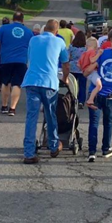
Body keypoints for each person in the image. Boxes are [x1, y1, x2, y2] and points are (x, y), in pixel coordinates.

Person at [22, 19, 70, 164]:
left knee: (31, 116)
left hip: (32, 81)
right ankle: (54, 145)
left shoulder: (33, 40)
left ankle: (29, 152)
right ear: (56, 31)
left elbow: (29, 60)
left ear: (44, 29)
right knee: (50, 115)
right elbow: (66, 64)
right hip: (49, 82)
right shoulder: (59, 42)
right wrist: (66, 78)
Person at [83, 31, 112, 162]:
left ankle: (92, 151)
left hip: (96, 91)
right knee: (108, 122)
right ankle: (105, 148)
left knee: (94, 123)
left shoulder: (103, 53)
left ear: (111, 40)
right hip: (111, 93)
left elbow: (92, 66)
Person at [0, 12, 34, 117]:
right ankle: (12, 108)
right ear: (23, 20)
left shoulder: (4, 29)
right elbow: (32, 47)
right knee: (17, 84)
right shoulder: (28, 32)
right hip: (21, 60)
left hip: (6, 60)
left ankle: (4, 106)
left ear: (13, 19)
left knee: (5, 83)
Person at [79, 38, 104, 110]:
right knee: (99, 86)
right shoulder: (92, 52)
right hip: (92, 72)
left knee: (97, 85)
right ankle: (90, 99)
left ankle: (91, 98)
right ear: (95, 47)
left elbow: (79, 64)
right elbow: (92, 60)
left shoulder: (83, 54)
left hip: (86, 72)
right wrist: (98, 54)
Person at [67, 31, 87, 108]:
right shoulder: (85, 48)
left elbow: (68, 57)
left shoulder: (71, 47)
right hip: (82, 68)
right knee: (82, 86)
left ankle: (72, 99)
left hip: (72, 67)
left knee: (72, 85)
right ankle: (81, 101)